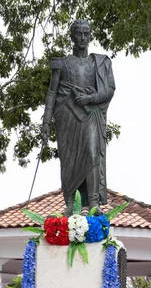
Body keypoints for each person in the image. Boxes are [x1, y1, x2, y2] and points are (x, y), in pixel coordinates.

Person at [41, 19, 115, 215]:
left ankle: (92, 203)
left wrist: (90, 98)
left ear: (90, 35)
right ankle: (70, 204)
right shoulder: (62, 63)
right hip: (67, 117)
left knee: (92, 153)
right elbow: (52, 93)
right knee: (69, 161)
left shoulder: (98, 63)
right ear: (72, 36)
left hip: (90, 114)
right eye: (79, 34)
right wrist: (46, 122)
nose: (83, 37)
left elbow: (109, 90)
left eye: (86, 33)